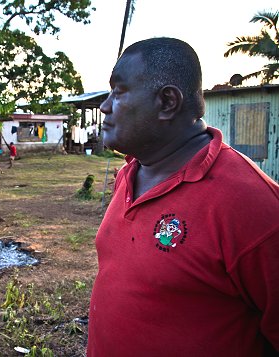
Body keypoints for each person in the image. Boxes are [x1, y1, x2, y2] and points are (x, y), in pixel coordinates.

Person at [88, 37, 279, 356]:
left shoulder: (251, 204)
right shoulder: (130, 174)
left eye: (119, 93)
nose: (105, 106)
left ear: (167, 102)